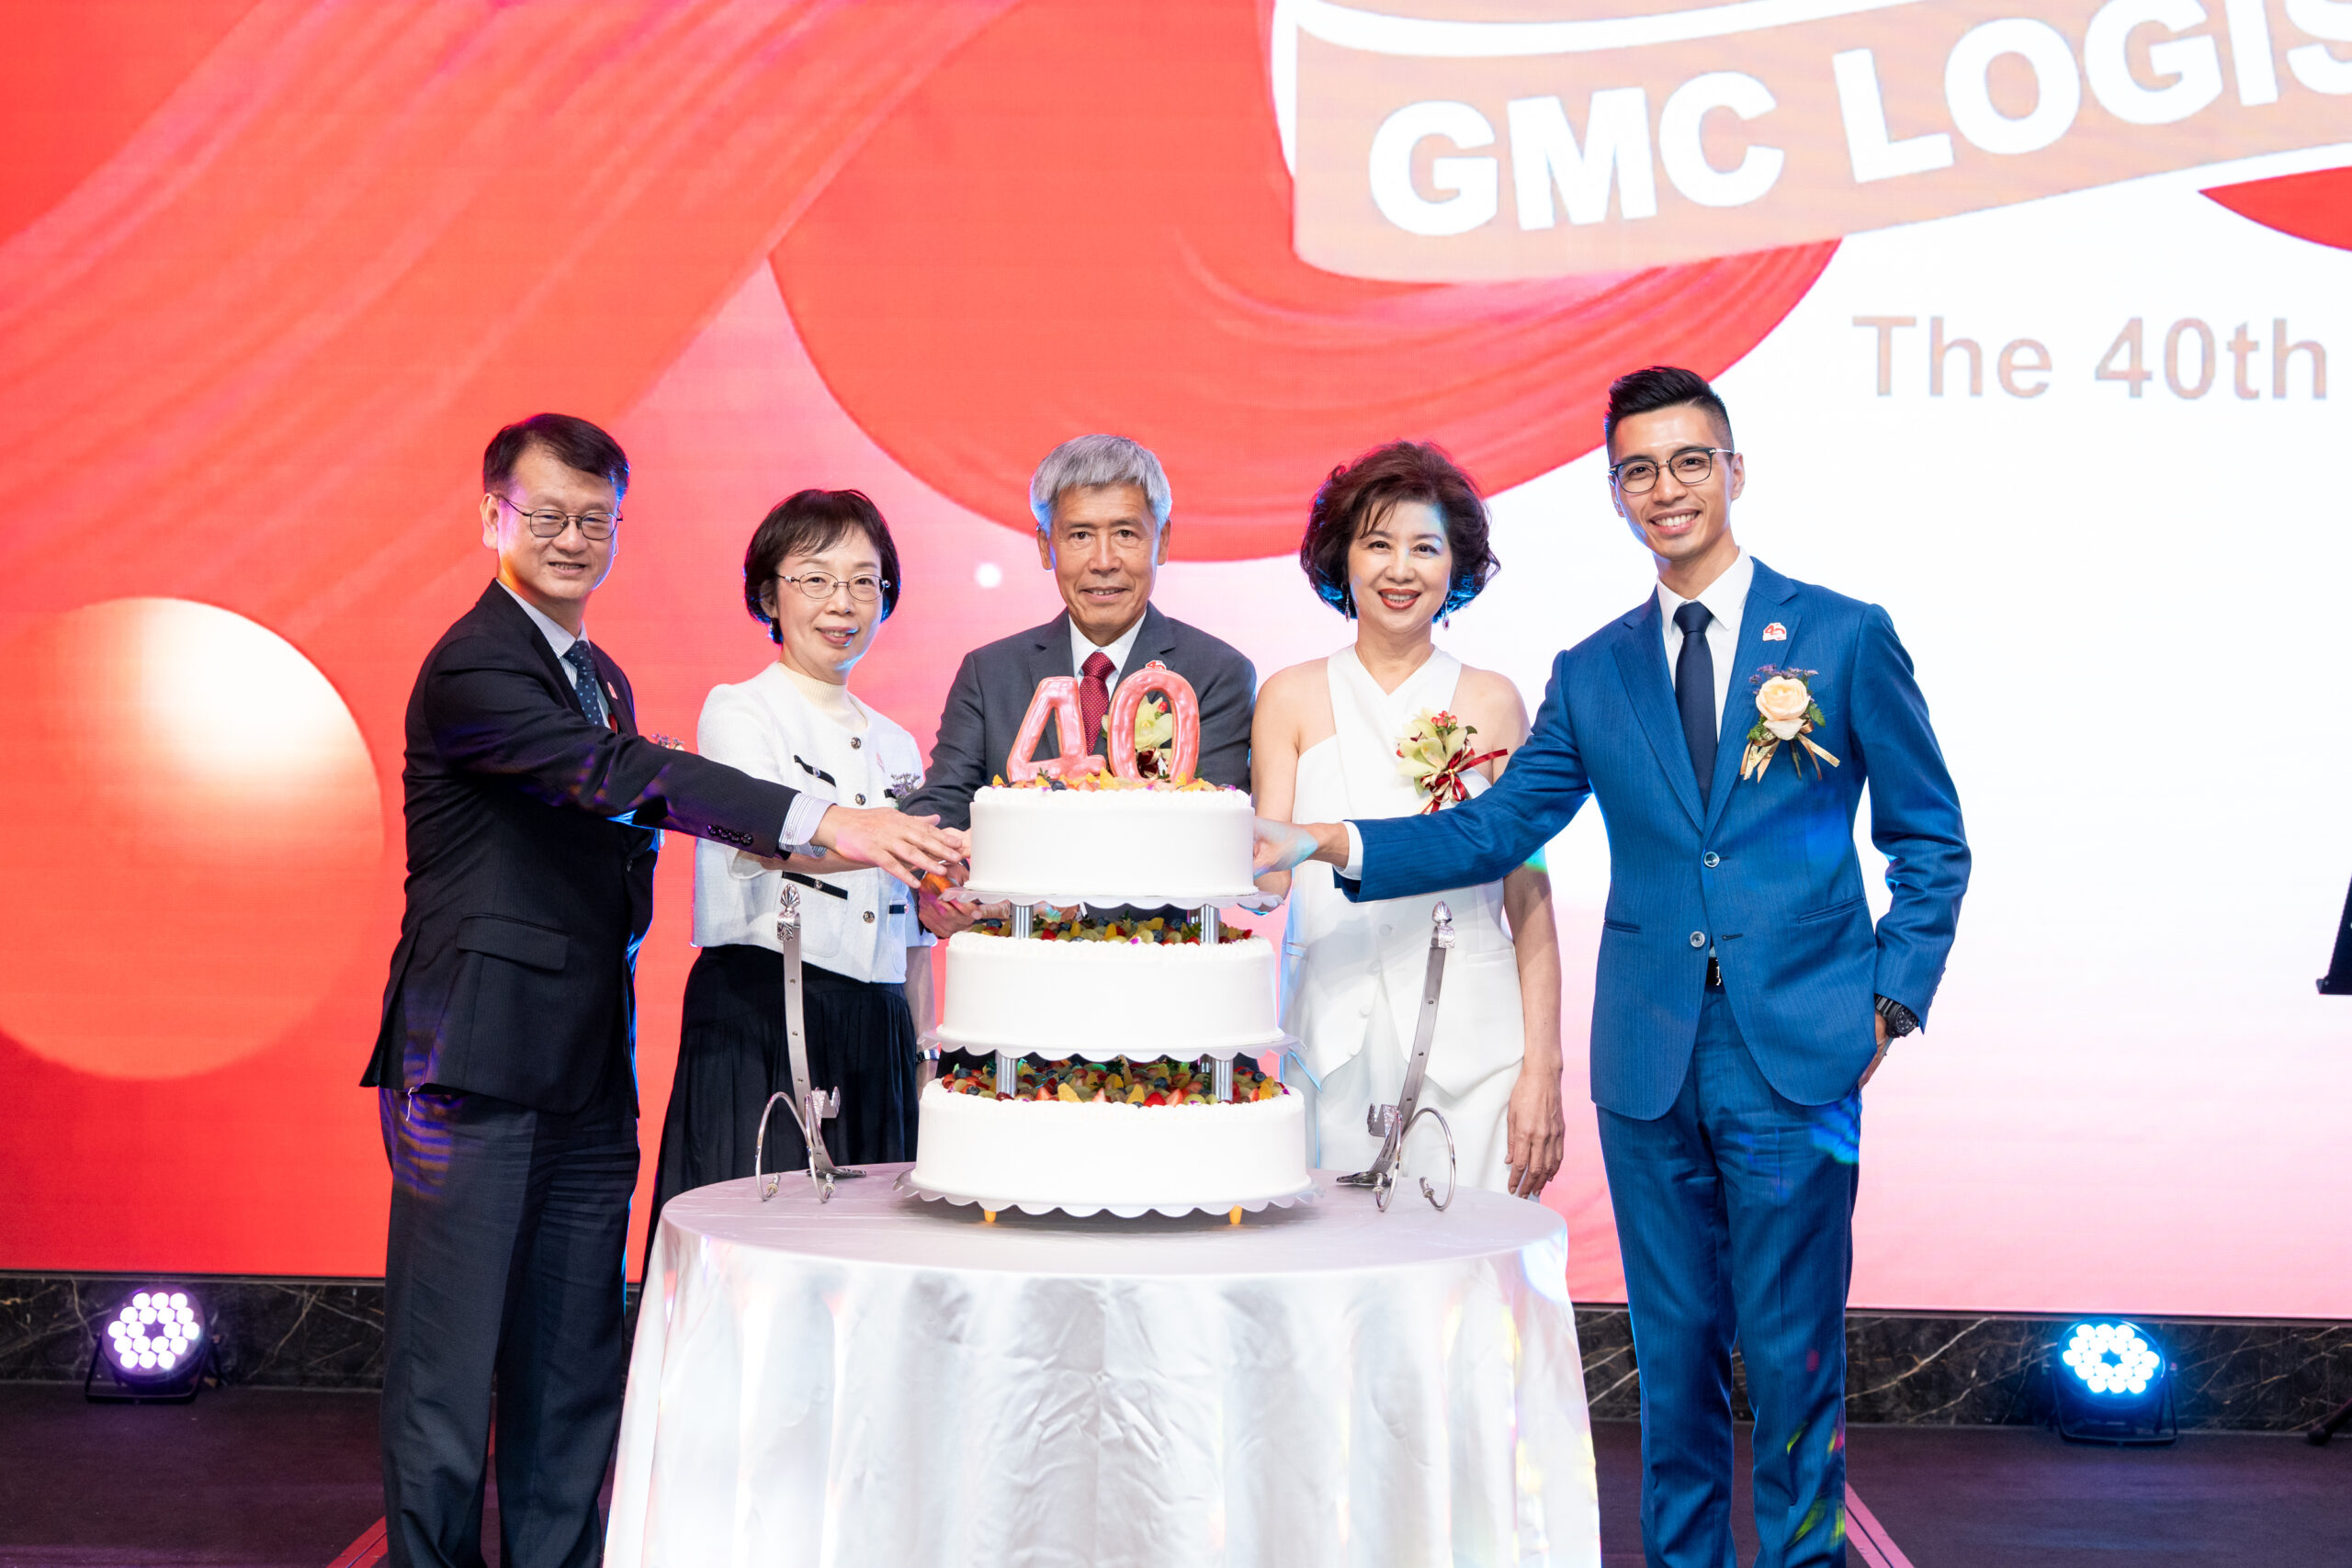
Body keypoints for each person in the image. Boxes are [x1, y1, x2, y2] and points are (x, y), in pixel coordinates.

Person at [1255, 369, 1969, 1568]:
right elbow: (1495, 829)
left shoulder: (1842, 635)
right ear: (1615, 493)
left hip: (1795, 1048)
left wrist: (1889, 998)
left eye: (1689, 461)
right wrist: (1332, 840)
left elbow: (1929, 837)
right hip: (1646, 1057)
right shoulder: (1593, 670)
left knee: (1793, 1361)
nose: (1666, 488)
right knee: (1672, 1368)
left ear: (1733, 472)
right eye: (1638, 469)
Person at [366, 416, 960, 1568]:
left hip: (589, 1066)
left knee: (573, 1358)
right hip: (477, 1060)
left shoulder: (602, 678)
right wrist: (823, 822)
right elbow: (612, 776)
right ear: (492, 516)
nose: (572, 539)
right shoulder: (477, 662)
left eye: (595, 519)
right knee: (449, 1361)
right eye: (547, 516)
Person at [1250, 441, 1563, 1197]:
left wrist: (1543, 1067)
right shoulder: (1289, 696)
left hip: (1476, 1052)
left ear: (1455, 566)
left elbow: (1529, 894)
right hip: (1332, 1040)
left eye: (1425, 547)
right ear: (1343, 558)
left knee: (1474, 1258)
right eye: (1378, 544)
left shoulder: (1494, 700)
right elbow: (1263, 881)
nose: (1401, 569)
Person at [646, 491, 933, 1255]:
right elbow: (770, 835)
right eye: (816, 579)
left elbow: (910, 932)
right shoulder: (740, 709)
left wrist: (923, 1058)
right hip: (764, 1012)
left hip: (878, 1028)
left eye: (864, 580)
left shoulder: (898, 742)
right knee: (755, 1243)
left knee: (872, 1252)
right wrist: (882, 839)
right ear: (769, 595)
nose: (843, 602)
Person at [899, 433, 1255, 937]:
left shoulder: (1216, 672)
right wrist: (940, 877)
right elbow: (941, 804)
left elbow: (1214, 837)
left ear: (1163, 541)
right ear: (1047, 546)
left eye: (1126, 533)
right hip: (1019, 956)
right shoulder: (989, 671)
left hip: (1157, 962)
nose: (1103, 560)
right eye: (1080, 535)